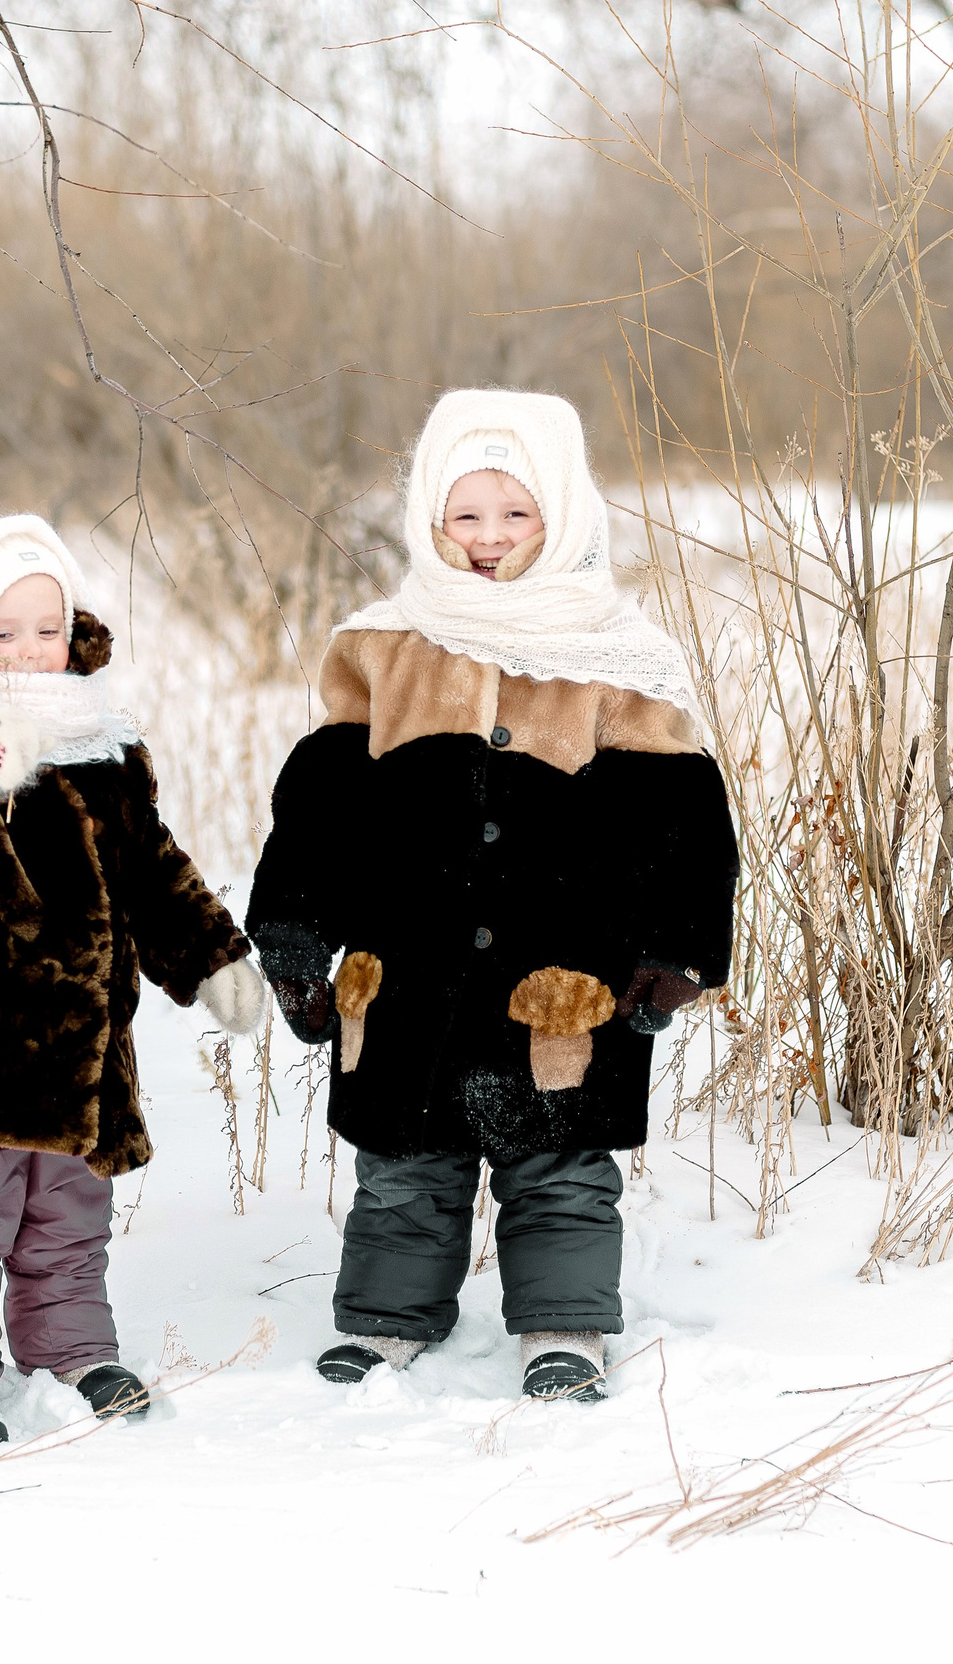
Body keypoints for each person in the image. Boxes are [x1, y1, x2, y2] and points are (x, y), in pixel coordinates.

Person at [246, 390, 739, 1403]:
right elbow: (321, 807)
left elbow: (684, 817)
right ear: (428, 518)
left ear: (563, 513)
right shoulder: (387, 645)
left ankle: (562, 1327)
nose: (487, 539)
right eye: (464, 515)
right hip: (407, 959)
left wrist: (677, 947)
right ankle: (388, 1322)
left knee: (557, 1161)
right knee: (402, 1158)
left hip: (562, 967)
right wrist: (295, 924)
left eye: (515, 515)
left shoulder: (614, 653)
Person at [0, 515, 268, 1447]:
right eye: (4, 633)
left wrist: (211, 957)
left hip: (82, 1053)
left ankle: (69, 1348)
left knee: (68, 1216)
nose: (33, 652)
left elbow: (155, 873)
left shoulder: (103, 752)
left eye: (49, 628)